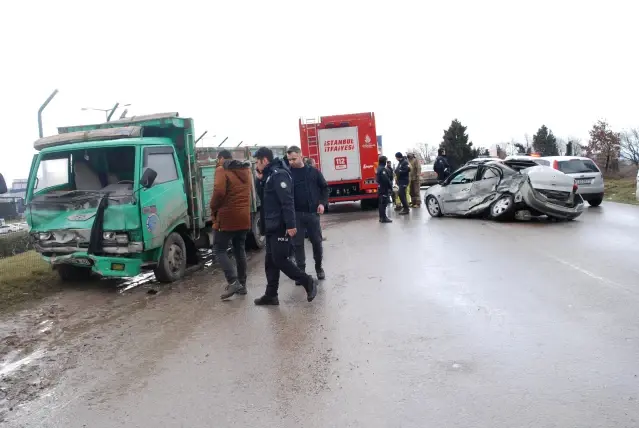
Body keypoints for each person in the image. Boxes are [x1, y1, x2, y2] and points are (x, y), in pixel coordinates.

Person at [253, 147, 318, 305]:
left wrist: (290, 224)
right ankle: (271, 294)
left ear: (265, 160)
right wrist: (259, 180)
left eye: (257, 162)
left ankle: (307, 281)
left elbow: (287, 200)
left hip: (280, 224)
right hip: (271, 224)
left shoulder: (279, 174)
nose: (256, 165)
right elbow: (264, 198)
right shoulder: (268, 175)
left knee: (280, 259)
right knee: (270, 261)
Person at [210, 150, 251, 300]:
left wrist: (213, 207)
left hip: (227, 218)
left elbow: (219, 192)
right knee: (239, 250)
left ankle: (233, 281)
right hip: (244, 217)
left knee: (219, 249)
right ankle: (242, 285)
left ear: (221, 158)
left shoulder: (221, 170)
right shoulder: (245, 170)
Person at [286, 146, 328, 283]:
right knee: (297, 244)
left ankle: (319, 268)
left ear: (301, 155)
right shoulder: (288, 174)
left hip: (312, 213)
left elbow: (324, 188)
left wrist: (322, 203)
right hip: (296, 214)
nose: (291, 162)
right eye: (289, 159)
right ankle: (301, 273)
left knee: (316, 242)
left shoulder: (313, 172)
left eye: (294, 158)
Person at [376, 155, 393, 223]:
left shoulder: (378, 168)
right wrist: (390, 187)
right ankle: (383, 218)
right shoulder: (382, 169)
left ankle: (381, 217)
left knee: (381, 203)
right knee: (383, 203)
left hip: (380, 188)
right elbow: (385, 180)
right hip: (384, 188)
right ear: (384, 161)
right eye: (386, 160)